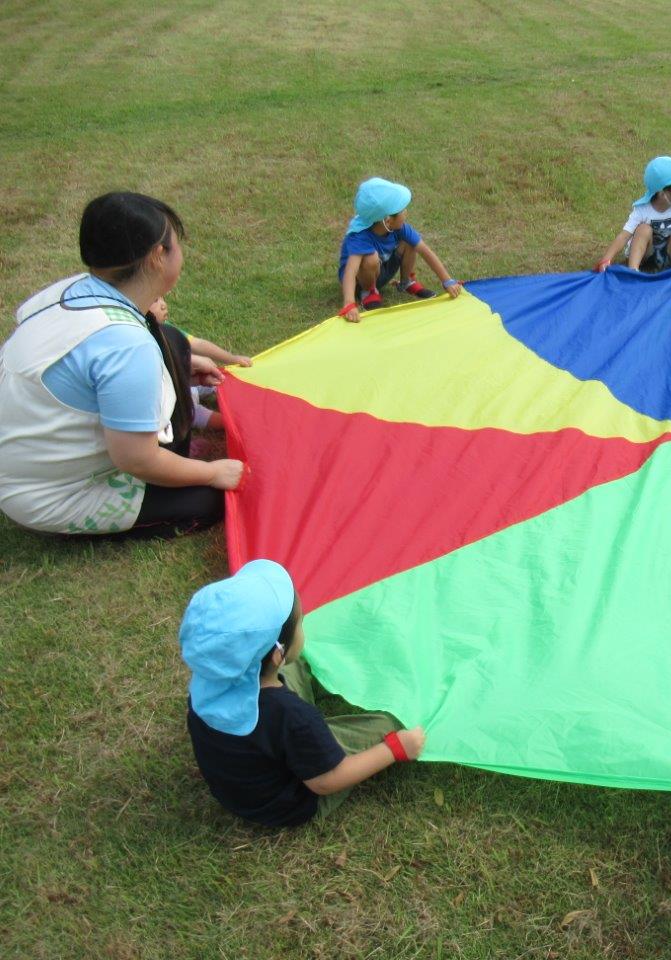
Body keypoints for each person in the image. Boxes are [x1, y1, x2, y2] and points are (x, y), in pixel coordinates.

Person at [0, 192, 243, 537]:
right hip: (47, 492)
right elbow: (136, 461)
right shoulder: (128, 348)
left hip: (26, 449)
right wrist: (211, 473)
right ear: (159, 256)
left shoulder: (71, 291)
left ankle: (176, 449)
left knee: (172, 341)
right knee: (207, 501)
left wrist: (176, 366)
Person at [180, 559, 427, 827]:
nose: (304, 626)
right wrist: (393, 749)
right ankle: (394, 732)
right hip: (294, 801)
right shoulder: (292, 717)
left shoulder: (210, 678)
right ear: (277, 654)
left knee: (298, 663)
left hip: (244, 785)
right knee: (390, 721)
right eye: (300, 623)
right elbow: (326, 781)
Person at [337, 177, 462, 323]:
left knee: (409, 242)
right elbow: (350, 272)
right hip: (360, 280)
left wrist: (447, 281)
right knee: (370, 257)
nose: (406, 212)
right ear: (388, 220)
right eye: (402, 210)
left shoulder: (399, 228)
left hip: (381, 269)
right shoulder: (360, 236)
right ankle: (369, 291)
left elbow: (425, 251)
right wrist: (349, 303)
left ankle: (406, 282)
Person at [148, 295, 252, 432]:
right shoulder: (145, 343)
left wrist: (232, 358)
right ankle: (237, 423)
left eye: (162, 299)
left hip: (189, 384)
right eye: (155, 301)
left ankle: (249, 399)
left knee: (221, 377)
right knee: (195, 414)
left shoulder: (167, 328)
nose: (163, 305)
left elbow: (197, 343)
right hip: (172, 402)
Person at [594, 156, 671, 273]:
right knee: (643, 230)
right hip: (646, 254)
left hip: (668, 253)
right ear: (663, 193)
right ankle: (633, 271)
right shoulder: (642, 209)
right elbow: (624, 236)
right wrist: (606, 259)